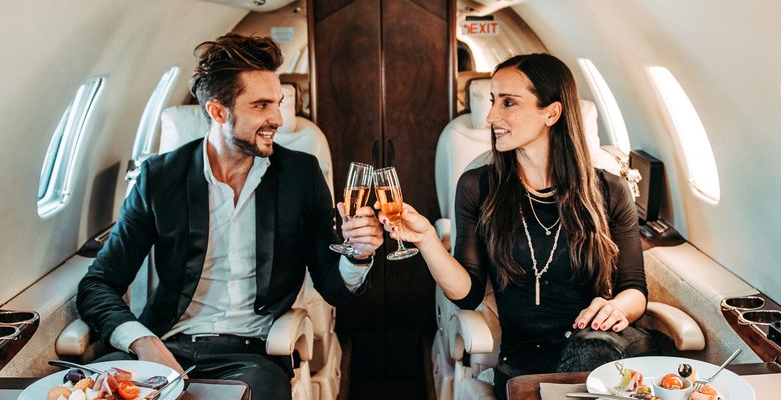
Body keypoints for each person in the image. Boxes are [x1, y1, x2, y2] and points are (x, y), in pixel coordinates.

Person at [76, 34, 384, 399]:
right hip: (165, 344)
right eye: (262, 105)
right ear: (218, 111)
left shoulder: (301, 176)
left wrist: (358, 254)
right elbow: (98, 284)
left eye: (278, 103)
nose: (277, 119)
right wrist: (143, 342)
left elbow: (333, 287)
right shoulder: (159, 178)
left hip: (251, 357)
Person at [381, 53, 651, 397]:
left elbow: (634, 288)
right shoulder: (478, 187)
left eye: (508, 103)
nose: (491, 116)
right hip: (524, 358)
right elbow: (468, 294)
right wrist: (427, 240)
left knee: (590, 350)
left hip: (603, 345)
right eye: (493, 101)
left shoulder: (610, 190)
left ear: (551, 113)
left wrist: (617, 307)